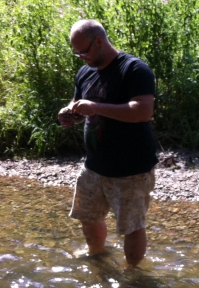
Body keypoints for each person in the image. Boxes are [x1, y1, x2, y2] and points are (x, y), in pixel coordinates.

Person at [57, 19, 158, 266]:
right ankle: (97, 254)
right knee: (88, 216)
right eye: (77, 52)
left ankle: (134, 275)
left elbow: (143, 111)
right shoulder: (85, 72)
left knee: (131, 226)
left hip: (131, 168)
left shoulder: (134, 69)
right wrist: (70, 114)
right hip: (94, 165)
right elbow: (80, 105)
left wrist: (96, 107)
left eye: (84, 51)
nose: (81, 57)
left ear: (99, 42)